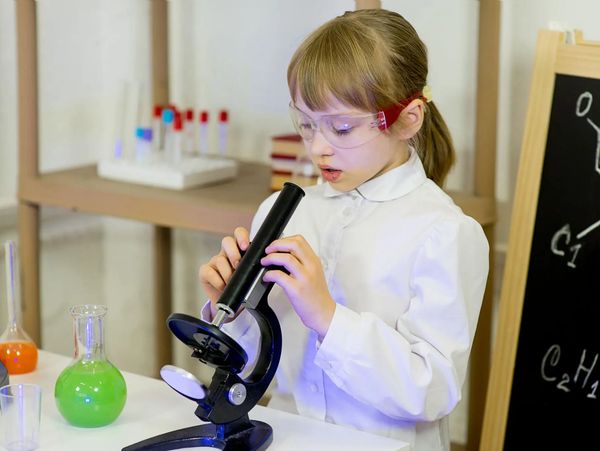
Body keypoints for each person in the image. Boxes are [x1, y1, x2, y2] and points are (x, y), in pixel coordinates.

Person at [199, 8, 489, 451]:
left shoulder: (445, 233)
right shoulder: (283, 212)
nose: (318, 148)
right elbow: (258, 368)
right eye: (307, 123)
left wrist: (328, 319)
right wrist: (231, 310)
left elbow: (432, 391)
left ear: (408, 119)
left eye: (341, 127)